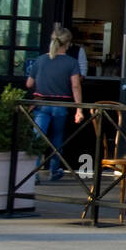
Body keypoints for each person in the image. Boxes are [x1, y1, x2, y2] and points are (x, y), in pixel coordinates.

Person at [26, 25, 85, 181]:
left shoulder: (40, 60)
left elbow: (29, 84)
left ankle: (34, 173)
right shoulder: (71, 62)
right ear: (68, 43)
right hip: (61, 105)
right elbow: (75, 86)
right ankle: (54, 169)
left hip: (41, 104)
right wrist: (79, 109)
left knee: (38, 139)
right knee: (57, 138)